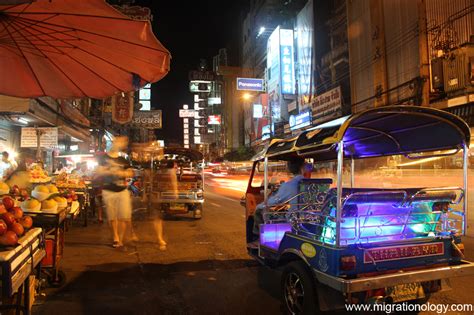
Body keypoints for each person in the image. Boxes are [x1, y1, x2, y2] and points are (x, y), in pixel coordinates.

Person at [252, 157, 306, 239]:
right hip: (311, 218)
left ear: (289, 169)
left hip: (293, 220)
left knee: (260, 210)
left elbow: (272, 202)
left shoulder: (288, 185)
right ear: (303, 167)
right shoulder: (312, 184)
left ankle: (258, 238)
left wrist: (259, 206)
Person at [96, 136, 134, 248]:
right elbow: (98, 171)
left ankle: (120, 238)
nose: (120, 144)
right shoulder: (103, 158)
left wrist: (122, 173)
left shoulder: (124, 160)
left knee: (123, 216)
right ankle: (115, 237)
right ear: (112, 143)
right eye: (118, 141)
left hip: (122, 190)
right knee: (112, 217)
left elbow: (130, 173)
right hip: (108, 190)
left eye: (122, 142)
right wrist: (108, 171)